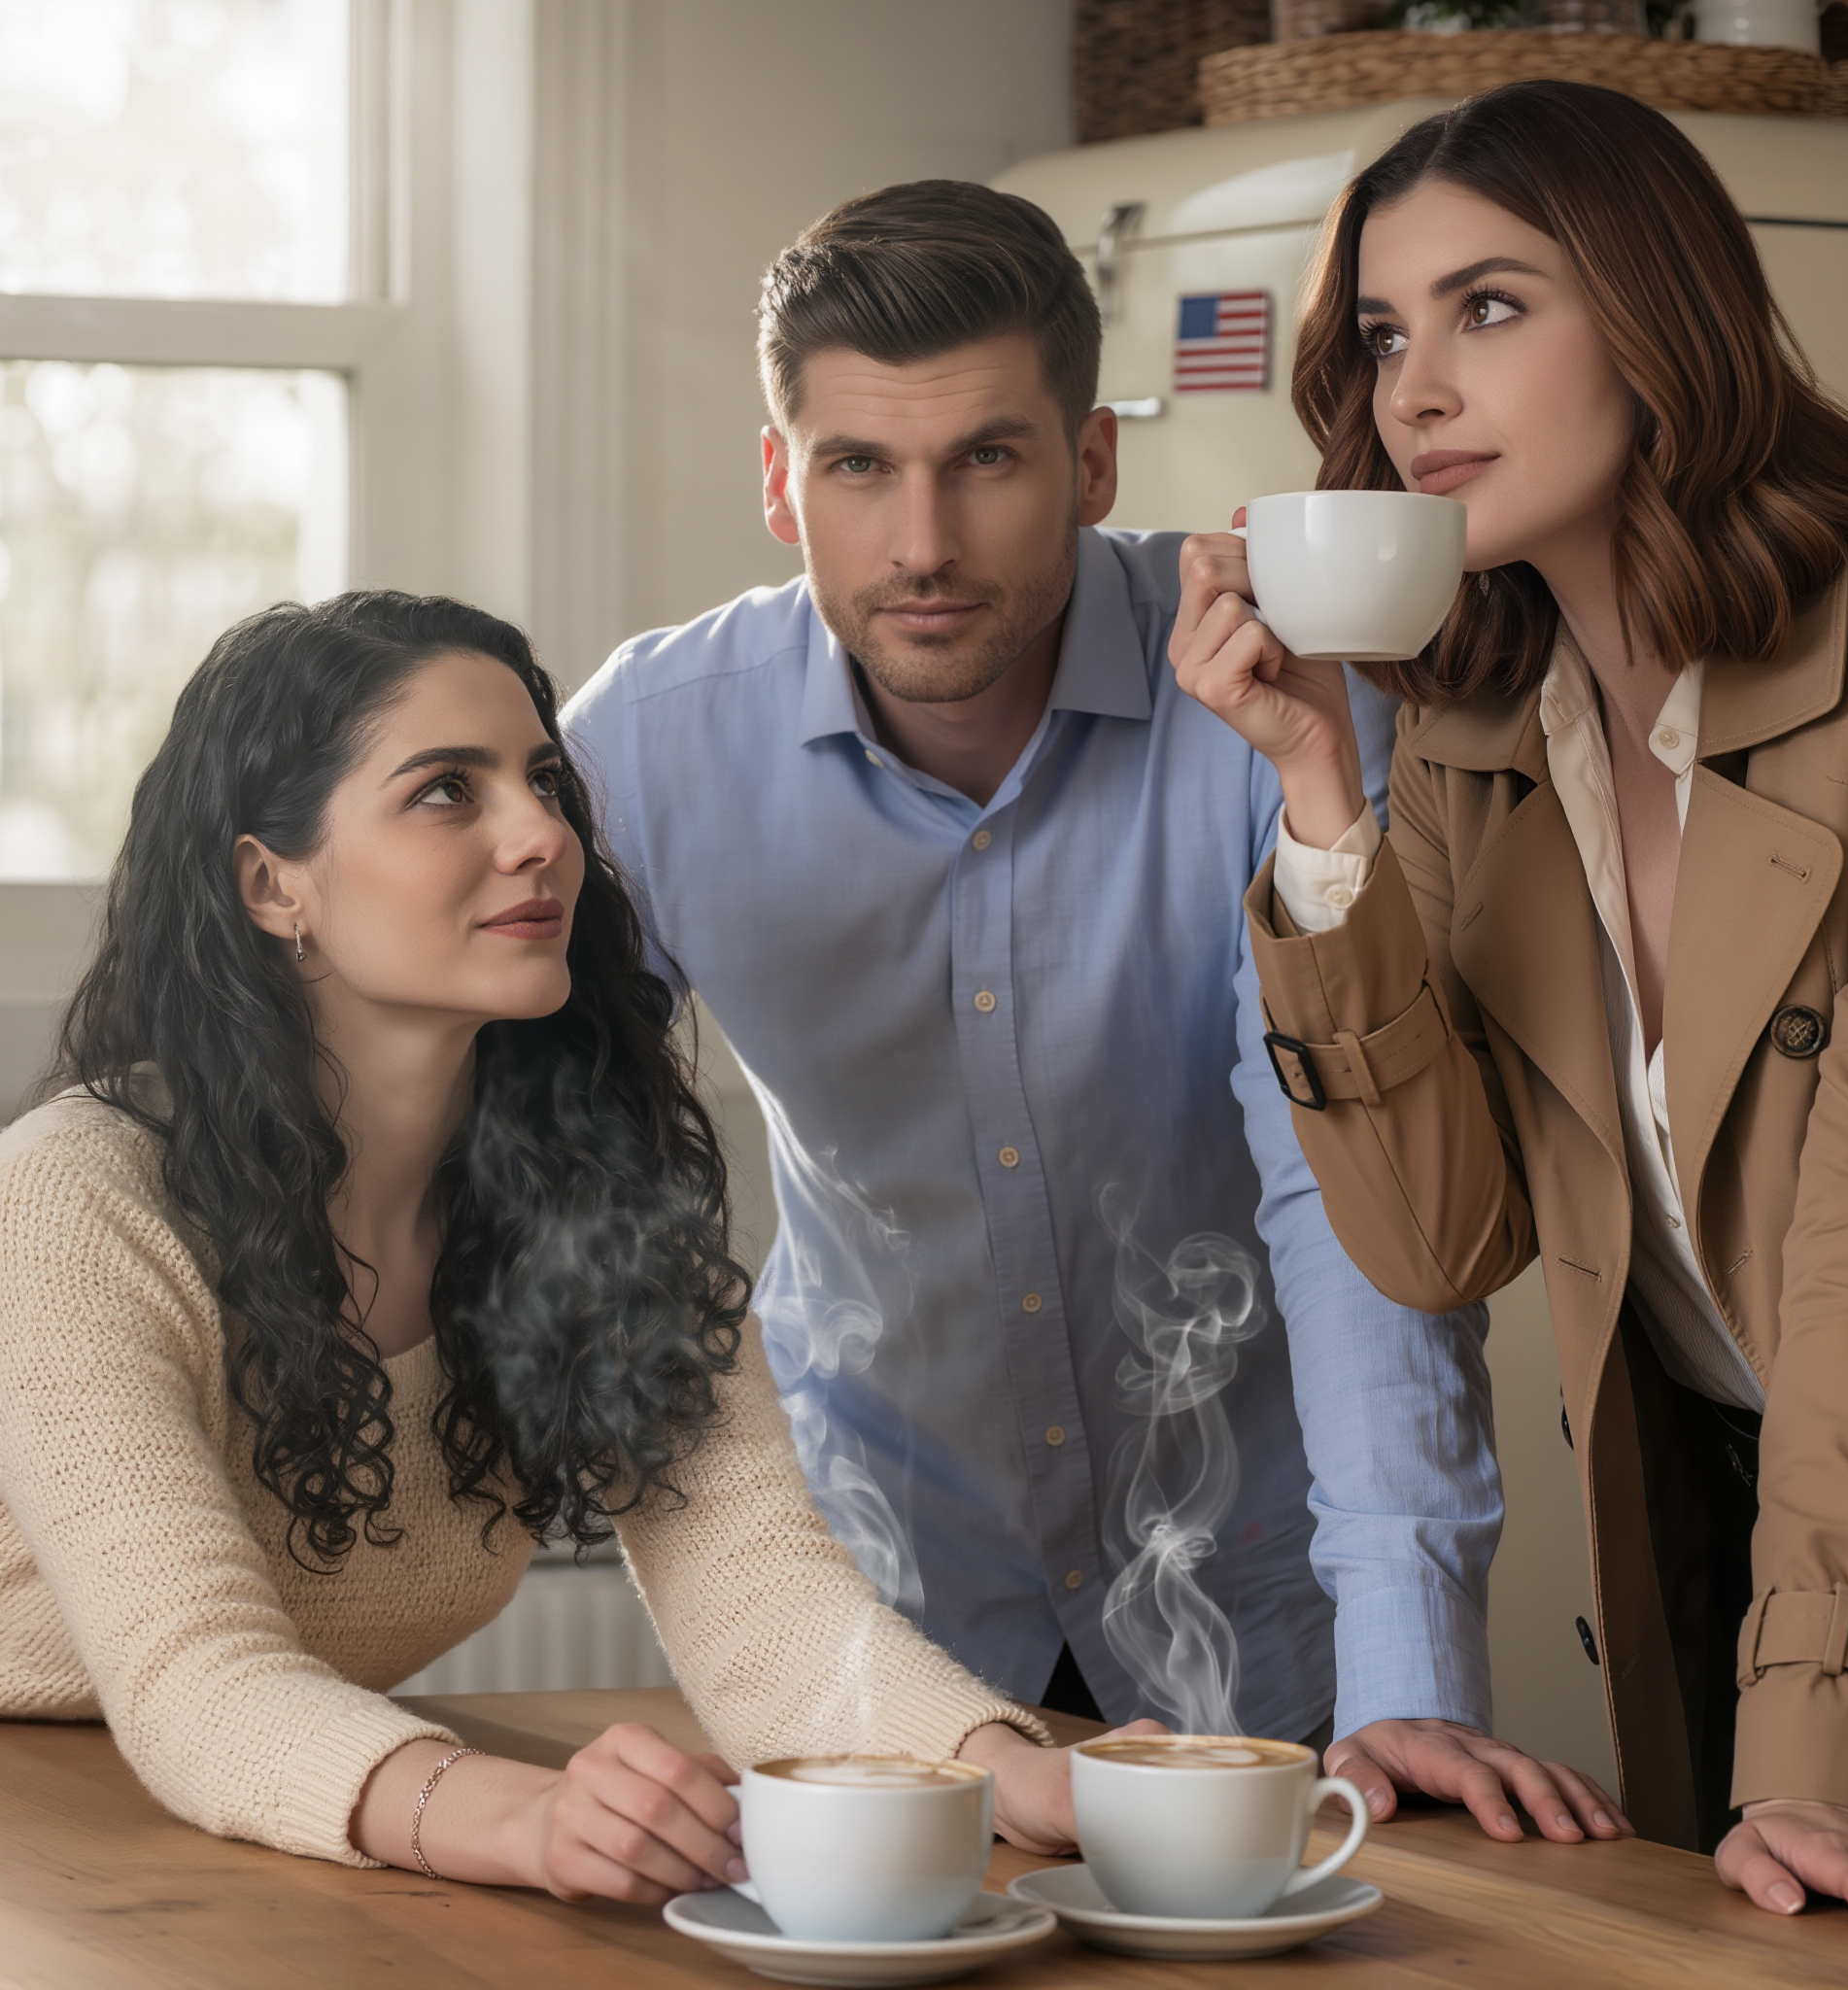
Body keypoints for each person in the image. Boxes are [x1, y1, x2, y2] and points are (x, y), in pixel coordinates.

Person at [565, 179, 1626, 1845]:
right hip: (876, 1625)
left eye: (987, 458)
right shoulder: (645, 750)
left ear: (1095, 461)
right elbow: (543, 1175)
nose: (923, 545)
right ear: (780, 480)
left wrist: (1411, 1672)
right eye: (859, 467)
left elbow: (1343, 1206)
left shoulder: (1271, 702)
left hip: (1263, 1605)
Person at [1170, 78, 1848, 1941]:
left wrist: (1811, 1763)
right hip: (1721, 1548)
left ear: (1658, 314)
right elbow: (1443, 1238)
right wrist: (1322, 801)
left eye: (1491, 307)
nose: (1415, 393)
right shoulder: (1468, 738)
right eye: (1385, 335)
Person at [0, 591, 1104, 1896]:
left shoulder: (588, 1180)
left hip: (240, 1819)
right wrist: (526, 1820)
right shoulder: (75, 1197)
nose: (542, 837)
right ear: (271, 884)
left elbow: (759, 1592)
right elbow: (198, 1676)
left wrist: (1007, 1769)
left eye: (541, 783)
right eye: (446, 793)